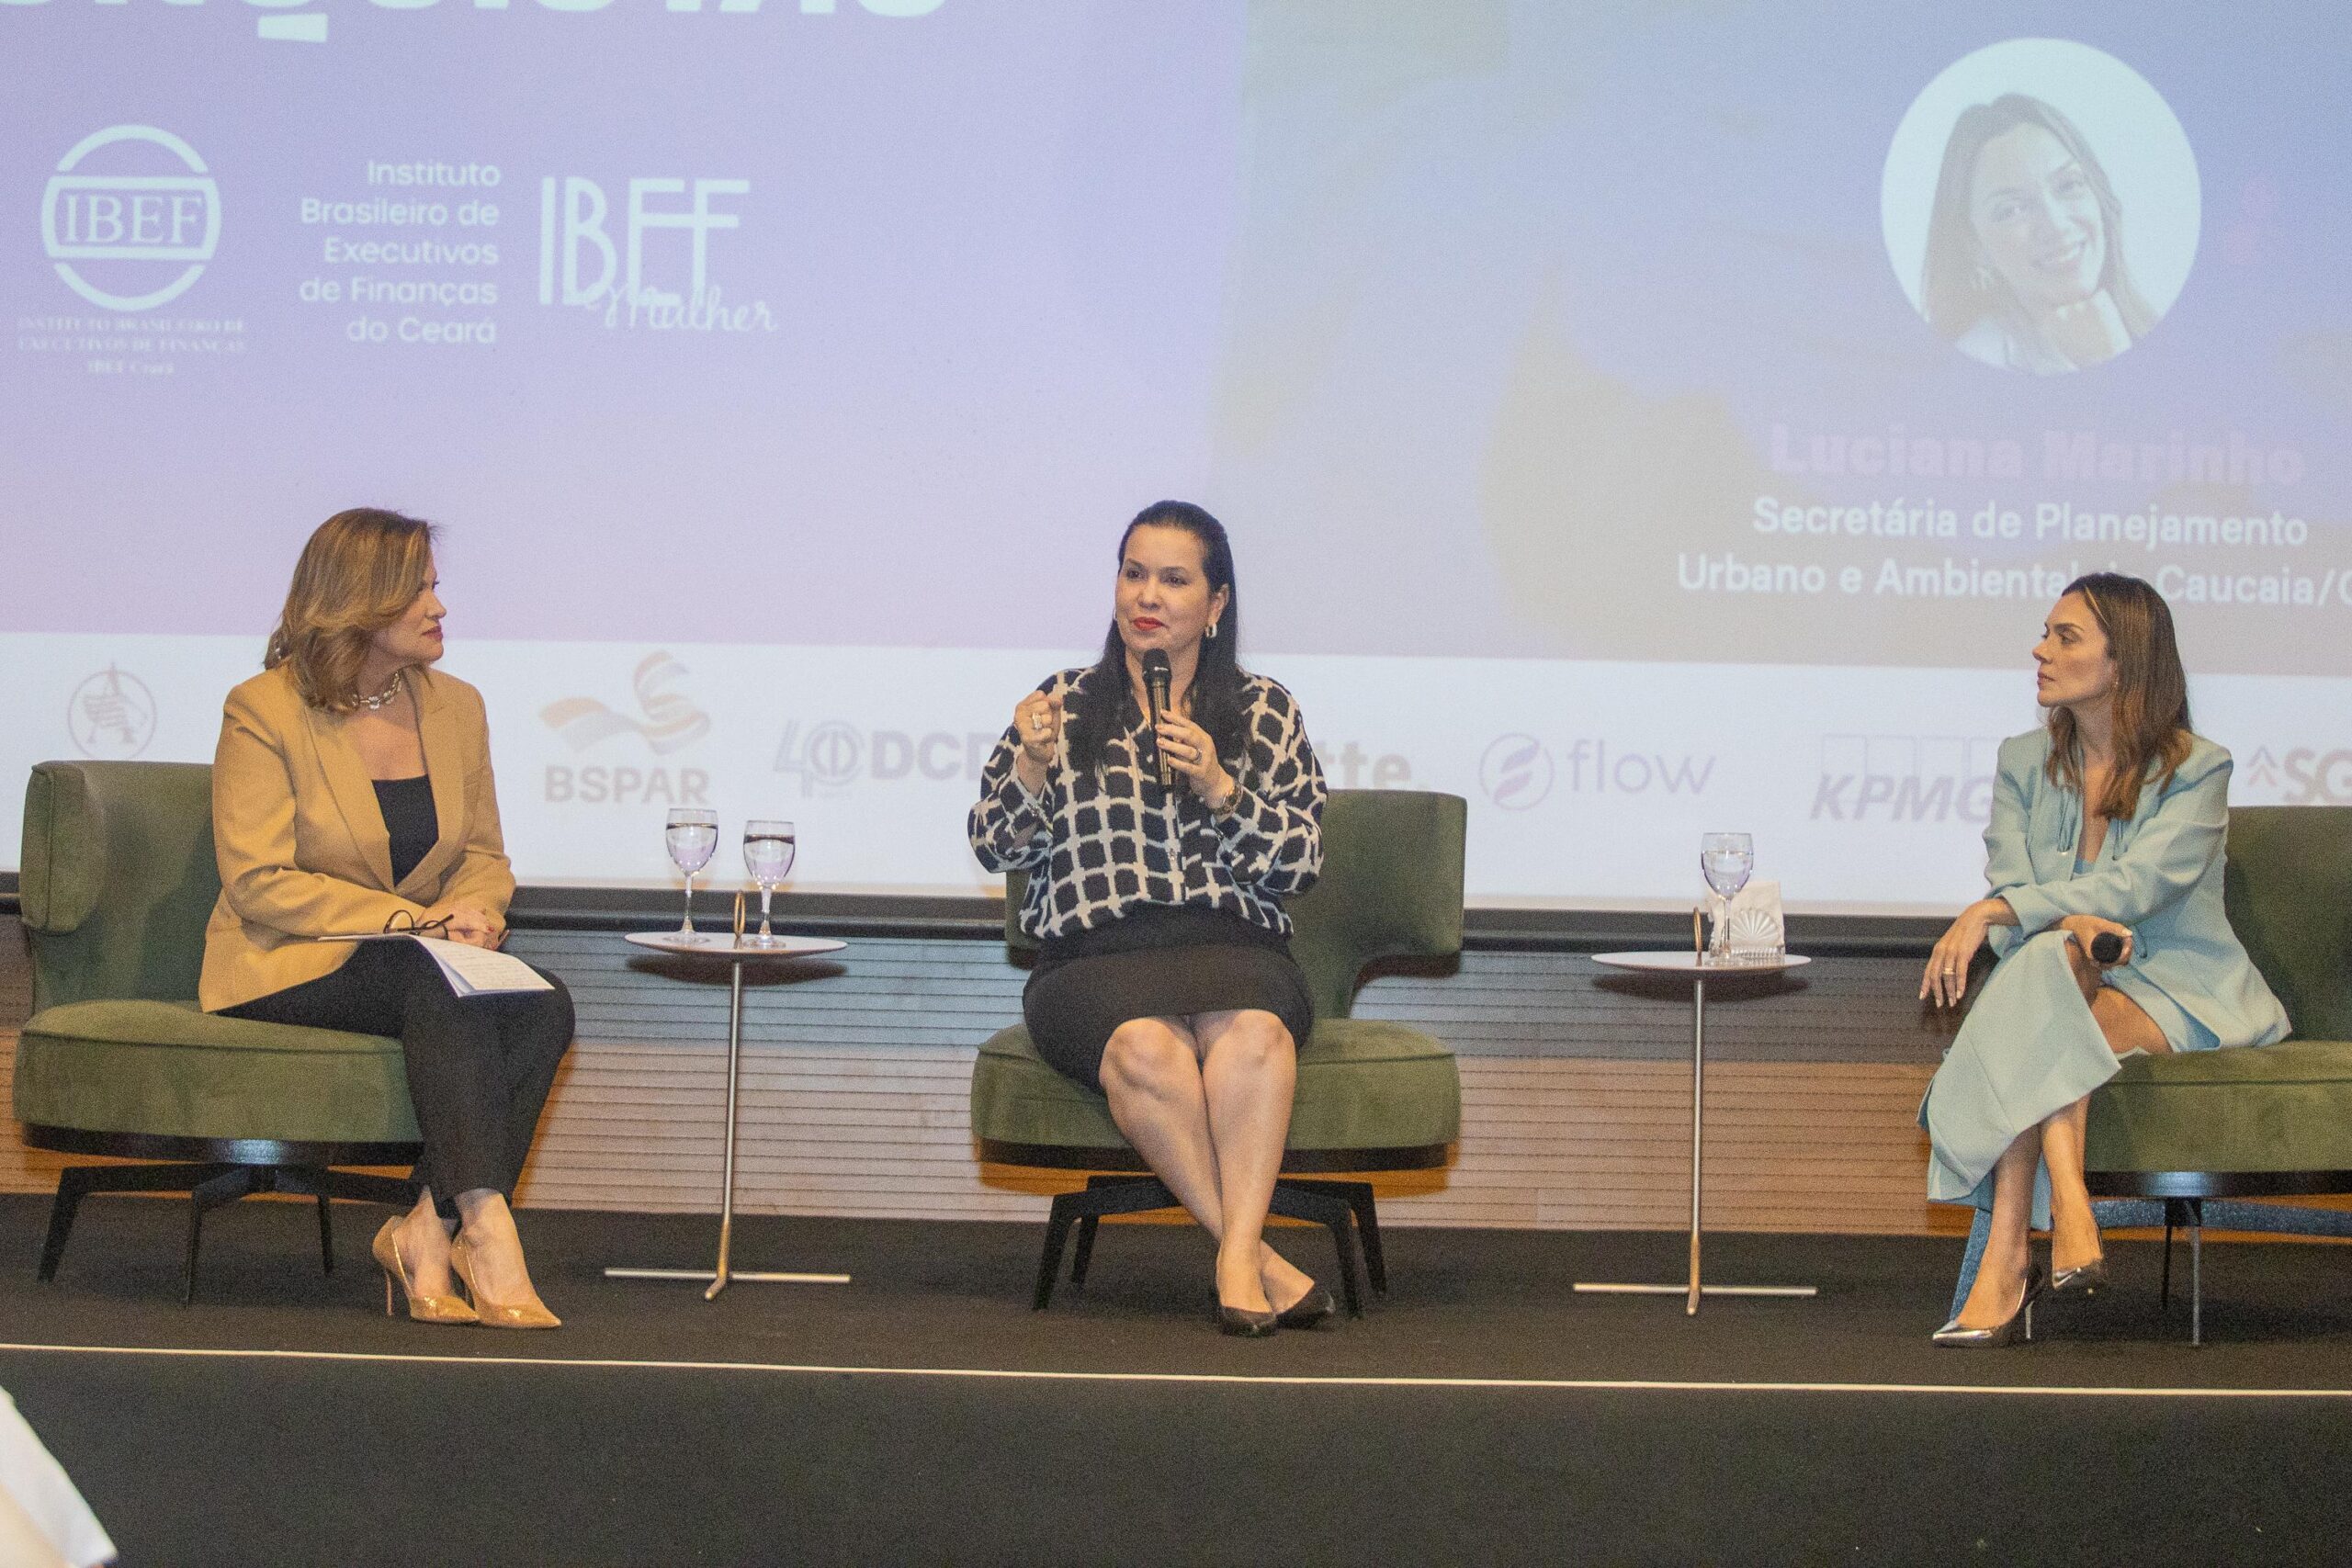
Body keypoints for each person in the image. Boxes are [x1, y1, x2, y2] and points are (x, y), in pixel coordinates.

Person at [200, 509, 573, 1329]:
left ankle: (421, 1228)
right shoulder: (264, 709)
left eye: (436, 587)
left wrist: (475, 910)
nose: (441, 607)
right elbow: (259, 879)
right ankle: (484, 1224)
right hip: (285, 960)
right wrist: (416, 921)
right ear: (361, 601)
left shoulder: (457, 707)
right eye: (422, 590)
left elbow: (483, 853)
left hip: (414, 959)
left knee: (543, 997)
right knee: (431, 975)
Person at [968, 501, 1330, 1336]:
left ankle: (1237, 1257)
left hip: (1232, 948)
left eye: (1175, 579)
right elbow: (993, 846)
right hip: (1093, 962)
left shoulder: (1265, 711)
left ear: (1217, 602)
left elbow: (1303, 862)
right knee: (1145, 1047)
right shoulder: (1060, 705)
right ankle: (1254, 1257)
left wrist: (1220, 789)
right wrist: (1029, 763)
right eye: (1135, 573)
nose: (1149, 596)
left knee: (1256, 1038)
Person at [1917, 573, 2287, 1346]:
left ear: (2123, 662)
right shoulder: (2024, 760)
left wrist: (2011, 911)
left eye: (2064, 635)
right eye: (2046, 633)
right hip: (2056, 973)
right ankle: (2069, 1212)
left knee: (2042, 992)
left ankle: (2010, 1257)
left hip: (2178, 986)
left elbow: (2141, 883)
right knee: (2054, 963)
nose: (2040, 649)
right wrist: (2059, 920)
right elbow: (2015, 882)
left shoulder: (2197, 767)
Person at [1920, 94, 2160, 374]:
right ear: (1973, 244)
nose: (2057, 225)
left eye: (2069, 185)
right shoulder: (1975, 362)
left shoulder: (2152, 322)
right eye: (2011, 210)